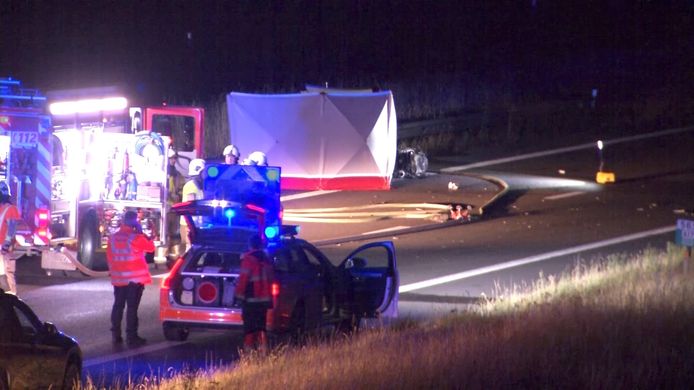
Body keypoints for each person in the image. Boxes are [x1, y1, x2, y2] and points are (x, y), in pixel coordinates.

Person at [106, 210, 154, 347]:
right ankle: (131, 337)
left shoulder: (113, 238)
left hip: (119, 279)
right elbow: (150, 248)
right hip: (134, 280)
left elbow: (109, 257)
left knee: (118, 306)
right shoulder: (135, 238)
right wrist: (140, 232)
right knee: (132, 308)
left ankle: (116, 334)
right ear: (134, 221)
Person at [234, 234, 274, 354]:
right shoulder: (267, 260)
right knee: (261, 326)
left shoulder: (248, 259)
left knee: (249, 327)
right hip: (264, 300)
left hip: (251, 300)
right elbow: (271, 279)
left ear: (250, 245)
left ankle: (248, 353)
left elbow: (243, 280)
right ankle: (263, 351)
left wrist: (238, 297)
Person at [180, 158, 205, 249]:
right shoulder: (191, 186)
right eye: (203, 172)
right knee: (190, 249)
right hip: (189, 224)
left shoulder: (200, 185)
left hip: (195, 224)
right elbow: (190, 206)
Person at [0, 181, 20, 295]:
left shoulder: (10, 209)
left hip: (4, 249)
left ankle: (13, 299)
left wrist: (6, 245)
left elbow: (11, 229)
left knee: (7, 274)